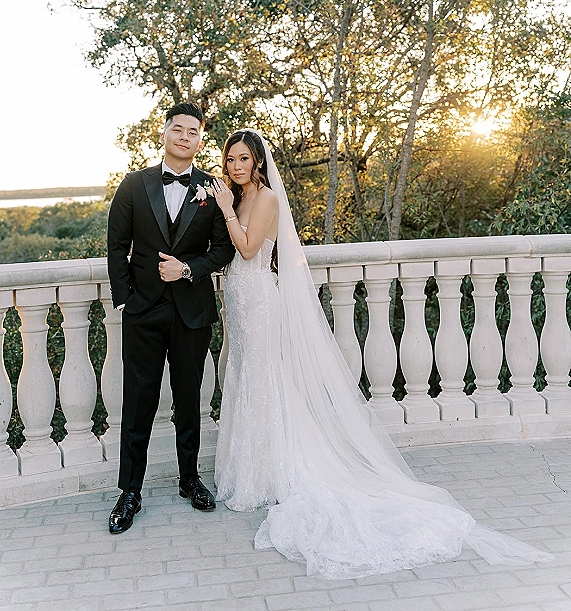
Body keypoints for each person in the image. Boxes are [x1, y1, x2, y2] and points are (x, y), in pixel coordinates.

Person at [211, 128, 553, 579]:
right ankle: (250, 470)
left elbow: (251, 248)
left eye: (242, 159)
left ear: (258, 162)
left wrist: (223, 210)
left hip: (260, 298)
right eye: (230, 159)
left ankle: (276, 470)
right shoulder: (236, 197)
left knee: (265, 379)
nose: (235, 166)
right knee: (246, 376)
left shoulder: (267, 198)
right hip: (241, 298)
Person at [106, 102, 235, 534]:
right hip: (143, 311)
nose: (185, 137)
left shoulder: (214, 190)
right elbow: (116, 246)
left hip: (191, 311)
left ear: (200, 139)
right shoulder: (134, 185)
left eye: (193, 131)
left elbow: (223, 249)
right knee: (137, 402)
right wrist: (125, 299)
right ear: (164, 133)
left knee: (189, 400)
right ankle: (130, 491)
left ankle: (189, 479)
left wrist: (187, 269)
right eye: (177, 129)